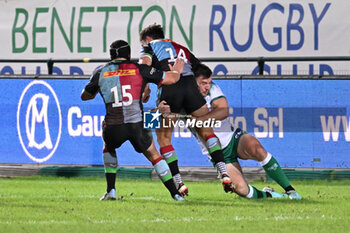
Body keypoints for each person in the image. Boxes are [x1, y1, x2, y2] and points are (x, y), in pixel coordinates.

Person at [81, 39, 186, 201]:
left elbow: (85, 96)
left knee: (108, 146)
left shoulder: (101, 72)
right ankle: (176, 194)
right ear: (129, 54)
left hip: (113, 126)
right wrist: (178, 71)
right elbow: (171, 79)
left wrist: (96, 87)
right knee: (154, 155)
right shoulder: (140, 69)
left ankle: (111, 190)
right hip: (137, 125)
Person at [139, 23, 234, 196]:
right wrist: (199, 88)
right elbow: (201, 67)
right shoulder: (181, 48)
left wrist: (146, 88)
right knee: (206, 130)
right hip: (190, 87)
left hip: (169, 88)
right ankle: (224, 173)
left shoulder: (149, 47)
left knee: (164, 139)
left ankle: (179, 183)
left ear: (148, 39)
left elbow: (143, 67)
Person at [188, 64, 302, 199]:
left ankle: (291, 191)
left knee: (257, 149)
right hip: (218, 153)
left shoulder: (212, 88)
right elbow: (165, 117)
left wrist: (199, 120)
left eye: (208, 82)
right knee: (242, 190)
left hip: (233, 137)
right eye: (203, 83)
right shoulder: (182, 98)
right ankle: (274, 195)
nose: (207, 86)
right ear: (193, 82)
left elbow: (223, 111)